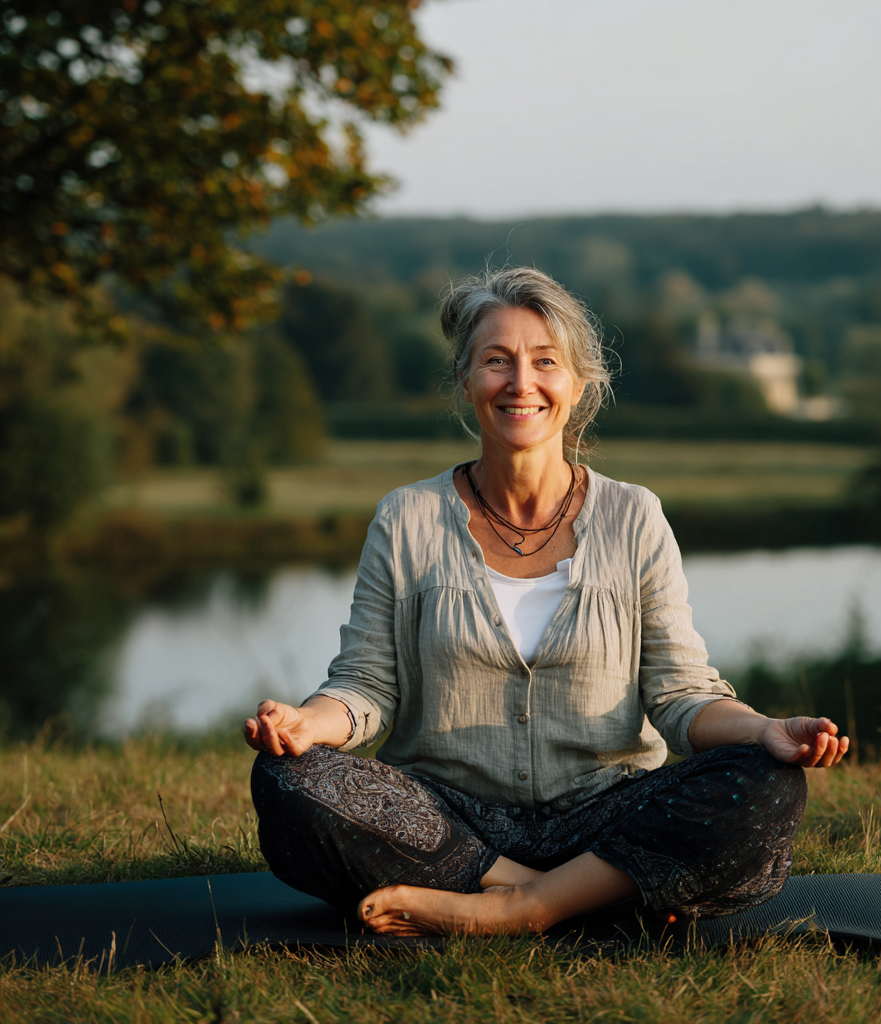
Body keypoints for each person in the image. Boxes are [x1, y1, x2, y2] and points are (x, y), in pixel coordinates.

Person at [244, 266, 848, 937]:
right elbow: (364, 687)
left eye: (544, 362)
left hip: (605, 810)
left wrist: (765, 730)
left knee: (766, 781)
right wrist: (305, 725)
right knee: (288, 780)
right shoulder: (406, 517)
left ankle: (521, 909)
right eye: (496, 361)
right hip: (447, 815)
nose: (520, 384)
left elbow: (682, 696)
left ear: (579, 383)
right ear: (465, 381)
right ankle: (565, 894)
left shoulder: (634, 516)